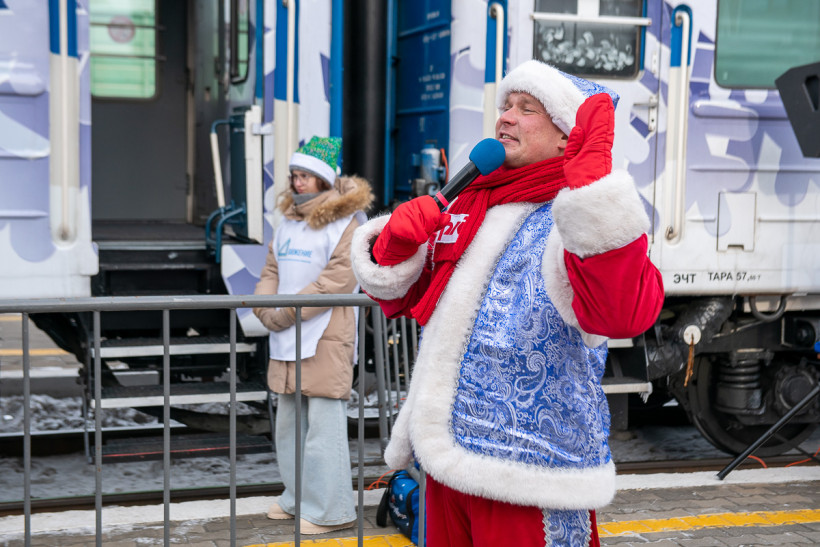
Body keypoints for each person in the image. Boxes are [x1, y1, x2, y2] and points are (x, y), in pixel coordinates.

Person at [350, 60, 664, 546]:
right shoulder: (475, 203)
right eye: (506, 106)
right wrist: (393, 247)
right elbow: (407, 296)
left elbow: (621, 312)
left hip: (528, 477)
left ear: (566, 136)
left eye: (527, 108)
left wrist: (592, 195)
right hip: (447, 463)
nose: (506, 117)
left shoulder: (572, 219)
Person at [253, 135, 374, 535]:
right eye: (294, 175)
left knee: (323, 425)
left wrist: (280, 313)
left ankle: (331, 510)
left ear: (323, 179)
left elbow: (336, 281)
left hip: (325, 335)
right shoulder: (288, 221)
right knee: (289, 423)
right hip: (288, 332)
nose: (297, 182)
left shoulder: (348, 223)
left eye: (304, 175)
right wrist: (265, 309)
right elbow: (270, 271)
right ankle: (297, 498)